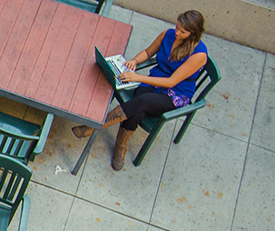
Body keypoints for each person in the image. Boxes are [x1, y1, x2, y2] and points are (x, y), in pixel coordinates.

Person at [72, 10, 209, 171]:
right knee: (137, 108)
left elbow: (172, 81)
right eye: (177, 27)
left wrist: (138, 78)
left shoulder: (199, 54)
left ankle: (95, 126)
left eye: (182, 31)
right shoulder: (168, 34)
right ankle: (121, 146)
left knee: (142, 102)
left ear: (193, 33)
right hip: (153, 82)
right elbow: (148, 52)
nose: (177, 32)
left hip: (175, 94)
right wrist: (135, 60)